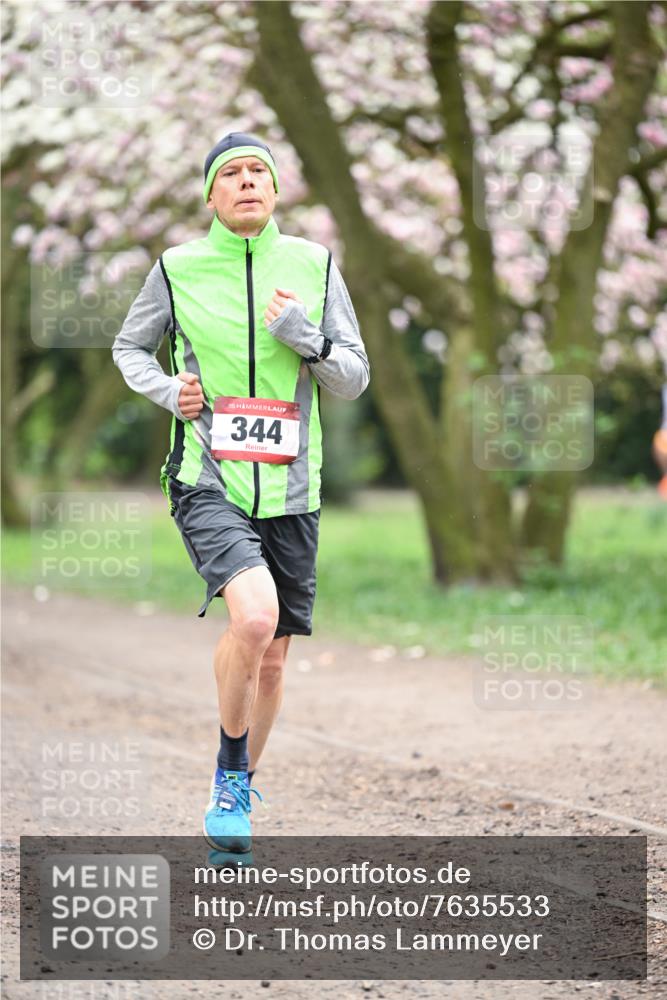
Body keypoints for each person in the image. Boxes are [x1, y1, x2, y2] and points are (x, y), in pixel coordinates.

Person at [112, 132, 370, 851]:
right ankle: (229, 773)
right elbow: (129, 347)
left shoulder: (314, 266)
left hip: (292, 488)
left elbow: (352, 376)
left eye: (260, 170)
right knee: (254, 621)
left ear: (277, 189)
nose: (247, 181)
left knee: (275, 656)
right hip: (206, 477)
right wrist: (170, 391)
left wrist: (304, 335)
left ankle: (239, 795)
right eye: (232, 173)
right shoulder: (177, 269)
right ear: (211, 195)